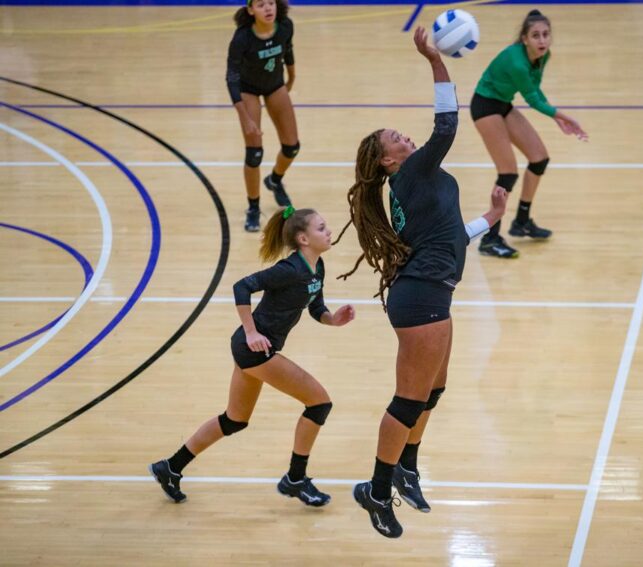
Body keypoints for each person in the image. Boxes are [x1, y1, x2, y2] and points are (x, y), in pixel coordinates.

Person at [334, 27, 508, 538]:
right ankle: (377, 489)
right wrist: (434, 59)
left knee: (433, 391)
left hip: (432, 292)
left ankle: (406, 467)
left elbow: (447, 238)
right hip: (422, 299)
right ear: (389, 161)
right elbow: (447, 124)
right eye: (397, 140)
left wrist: (489, 218)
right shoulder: (409, 175)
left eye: (401, 135)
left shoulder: (416, 183)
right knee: (408, 400)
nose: (405, 138)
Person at [149, 206, 355, 507]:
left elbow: (315, 305)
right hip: (256, 350)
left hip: (253, 350)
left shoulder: (316, 267)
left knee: (235, 420)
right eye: (322, 228)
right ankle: (295, 479)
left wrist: (331, 319)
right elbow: (242, 286)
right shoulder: (289, 270)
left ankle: (170, 467)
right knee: (319, 403)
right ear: (303, 239)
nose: (329, 231)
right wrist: (251, 331)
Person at [472, 9, 588, 258]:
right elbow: (533, 99)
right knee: (507, 173)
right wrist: (564, 117)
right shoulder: (517, 62)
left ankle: (521, 222)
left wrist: (557, 118)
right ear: (524, 39)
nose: (542, 40)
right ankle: (490, 239)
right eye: (535, 35)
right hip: (485, 106)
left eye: (546, 35)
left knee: (539, 158)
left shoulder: (542, 57)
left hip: (502, 104)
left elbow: (536, 90)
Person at [227, 0, 300, 232]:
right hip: (248, 91)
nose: (268, 8)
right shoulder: (242, 39)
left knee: (292, 147)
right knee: (254, 153)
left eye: (271, 3)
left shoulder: (285, 26)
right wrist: (245, 118)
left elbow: (287, 51)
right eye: (261, 5)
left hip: (274, 85)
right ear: (251, 10)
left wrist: (291, 79)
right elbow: (232, 78)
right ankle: (254, 207)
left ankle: (275, 180)